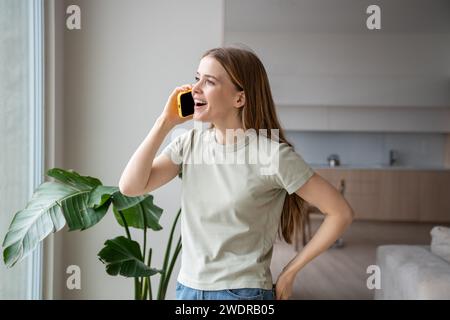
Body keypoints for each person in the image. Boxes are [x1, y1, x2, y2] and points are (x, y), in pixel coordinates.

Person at [118, 46, 354, 300]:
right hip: (188, 288)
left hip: (241, 293)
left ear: (239, 99)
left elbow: (340, 213)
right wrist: (165, 122)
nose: (194, 88)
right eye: (197, 78)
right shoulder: (190, 143)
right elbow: (131, 186)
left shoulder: (272, 155)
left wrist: (290, 272)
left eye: (209, 82)